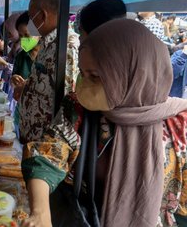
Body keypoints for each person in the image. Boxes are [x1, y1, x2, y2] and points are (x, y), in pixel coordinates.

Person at [22, 18, 187, 227]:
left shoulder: (179, 124)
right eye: (82, 74)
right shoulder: (77, 107)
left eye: (95, 76)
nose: (84, 85)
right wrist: (40, 213)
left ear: (134, 73)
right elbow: (45, 156)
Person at [14, 0, 79, 144]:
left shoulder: (66, 47)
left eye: (31, 17)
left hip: (44, 145)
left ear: (42, 15)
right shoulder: (47, 42)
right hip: (31, 137)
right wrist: (26, 88)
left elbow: (67, 102)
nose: (30, 23)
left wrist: (49, 149)